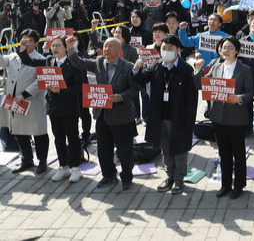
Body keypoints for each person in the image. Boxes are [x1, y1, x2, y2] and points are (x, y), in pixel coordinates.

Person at [66, 36, 140, 191]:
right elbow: (79, 62)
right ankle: (108, 175)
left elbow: (135, 89)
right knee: (103, 149)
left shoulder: (128, 67)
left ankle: (126, 176)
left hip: (121, 116)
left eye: (110, 46)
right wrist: (70, 48)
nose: (106, 49)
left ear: (119, 49)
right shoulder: (99, 62)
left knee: (124, 150)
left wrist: (120, 97)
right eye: (105, 46)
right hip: (102, 115)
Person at [132, 34, 201, 194]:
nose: (166, 51)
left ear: (178, 50)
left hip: (179, 118)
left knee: (179, 149)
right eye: (164, 48)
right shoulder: (157, 66)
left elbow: (192, 99)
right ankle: (169, 176)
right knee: (165, 149)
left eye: (170, 48)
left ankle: (179, 179)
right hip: (159, 116)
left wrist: (189, 122)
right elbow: (141, 79)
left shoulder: (185, 69)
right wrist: (136, 69)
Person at [17, 35, 84, 183]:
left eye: (58, 45)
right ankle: (63, 166)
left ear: (65, 48)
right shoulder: (49, 61)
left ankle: (76, 168)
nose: (54, 48)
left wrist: (61, 90)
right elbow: (29, 61)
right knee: (58, 138)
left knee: (72, 138)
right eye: (53, 45)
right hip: (53, 108)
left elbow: (79, 87)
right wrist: (22, 48)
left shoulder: (74, 62)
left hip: (69, 107)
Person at [197, 36, 253, 199]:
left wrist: (240, 97)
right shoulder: (215, 66)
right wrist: (198, 69)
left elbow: (250, 92)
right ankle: (225, 184)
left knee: (238, 153)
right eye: (223, 48)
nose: (225, 51)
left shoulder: (245, 69)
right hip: (218, 118)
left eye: (229, 48)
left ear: (237, 51)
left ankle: (239, 185)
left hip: (236, 118)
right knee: (224, 152)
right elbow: (203, 85)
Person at [0, 29, 49, 174]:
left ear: (35, 42)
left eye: (28, 39)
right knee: (18, 132)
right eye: (23, 38)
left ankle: (42, 160)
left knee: (38, 132)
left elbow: (40, 81)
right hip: (14, 102)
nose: (25, 41)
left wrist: (25, 94)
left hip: (32, 101)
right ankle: (26, 159)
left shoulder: (40, 58)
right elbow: (2, 62)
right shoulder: (13, 56)